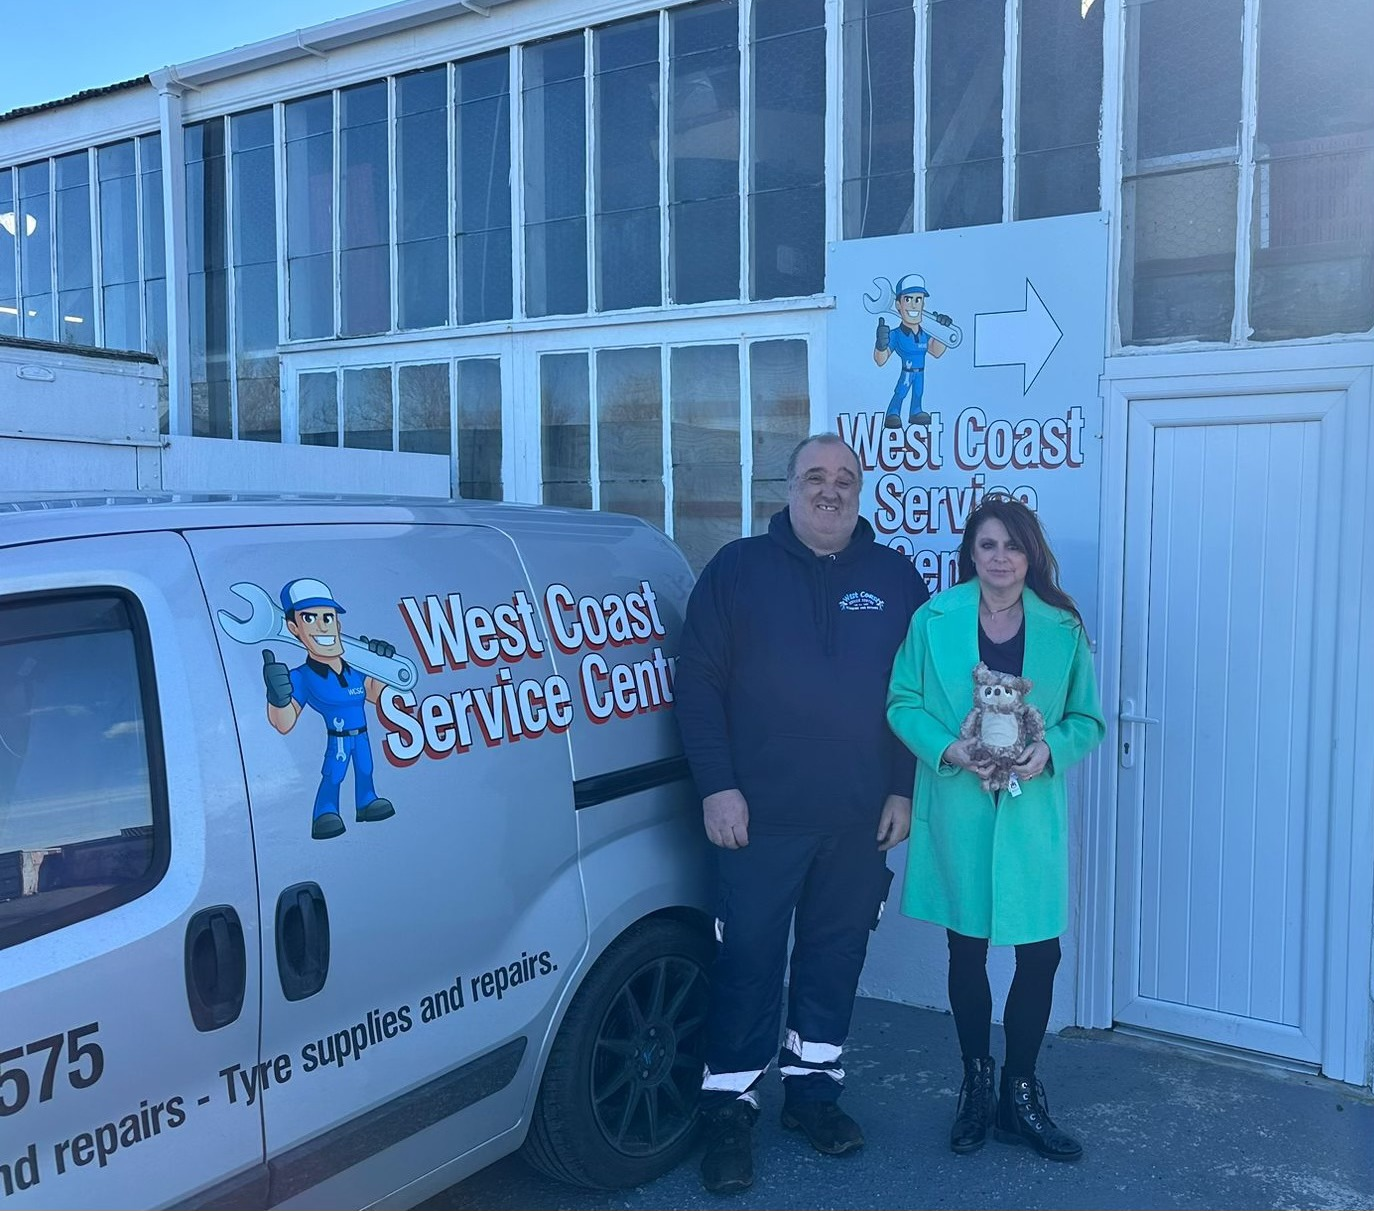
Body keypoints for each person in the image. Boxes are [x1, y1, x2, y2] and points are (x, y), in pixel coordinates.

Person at [675, 433, 929, 1195]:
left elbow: (914, 696)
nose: (830, 488)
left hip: (858, 819)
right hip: (757, 817)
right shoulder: (736, 569)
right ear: (787, 487)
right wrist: (717, 785)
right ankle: (730, 1105)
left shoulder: (896, 578)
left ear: (860, 490)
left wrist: (903, 787)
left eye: (845, 477)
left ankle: (814, 1091)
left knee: (834, 955)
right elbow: (698, 682)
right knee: (748, 959)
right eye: (815, 475)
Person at [886, 496, 1105, 1162]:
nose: (1001, 557)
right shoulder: (933, 619)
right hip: (961, 808)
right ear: (971, 554)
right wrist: (948, 748)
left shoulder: (1063, 628)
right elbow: (902, 703)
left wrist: (1051, 749)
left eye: (1013, 545)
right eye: (988, 545)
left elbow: (1087, 719)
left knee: (1040, 954)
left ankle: (1021, 1093)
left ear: (1031, 554)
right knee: (967, 949)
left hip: (1029, 815)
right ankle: (977, 1085)